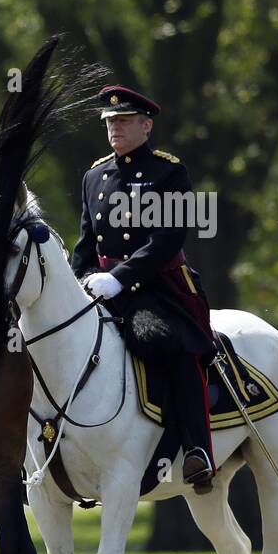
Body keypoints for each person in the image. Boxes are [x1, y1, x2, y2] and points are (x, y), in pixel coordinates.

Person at [70, 84, 216, 489]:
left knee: (171, 344)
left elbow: (167, 240)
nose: (114, 128)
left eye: (123, 121)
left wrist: (118, 279)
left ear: (146, 126)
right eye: (109, 122)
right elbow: (85, 244)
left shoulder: (169, 172)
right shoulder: (94, 175)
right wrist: (76, 283)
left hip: (156, 287)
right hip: (98, 287)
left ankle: (196, 449)